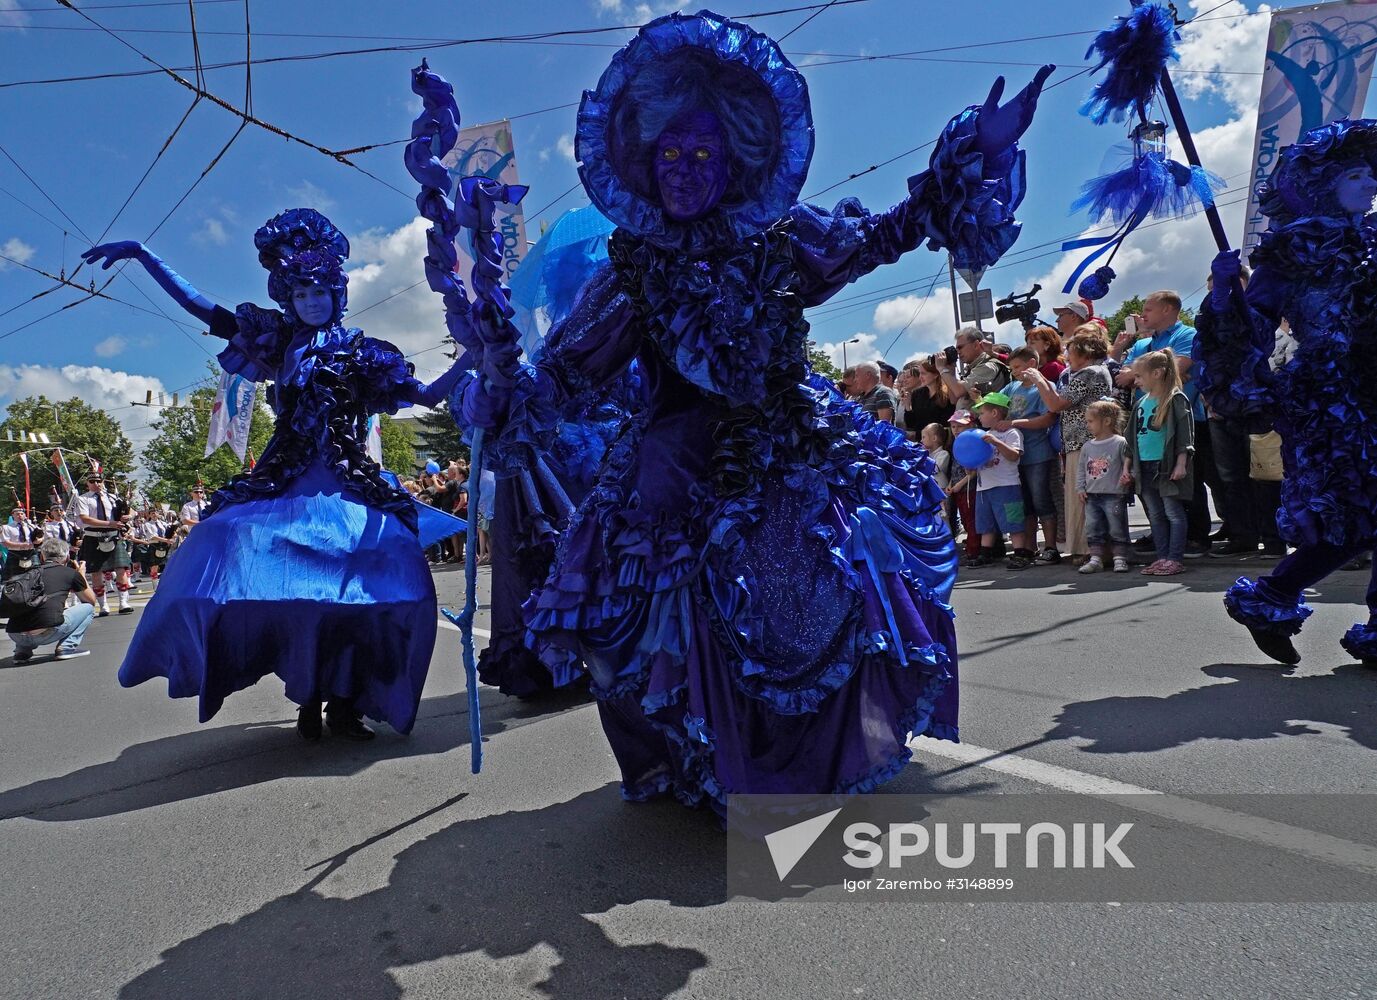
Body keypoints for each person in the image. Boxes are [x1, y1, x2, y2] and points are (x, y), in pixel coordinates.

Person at [421, 15, 1052, 810]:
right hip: (676, 457)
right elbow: (568, 375)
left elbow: (883, 236)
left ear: (732, 162)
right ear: (644, 163)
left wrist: (973, 155)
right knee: (657, 610)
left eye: (701, 156)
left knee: (825, 589)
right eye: (669, 156)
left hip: (793, 437)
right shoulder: (633, 268)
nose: (683, 172)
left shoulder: (778, 239)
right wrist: (503, 393)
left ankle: (809, 759)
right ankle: (707, 762)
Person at [82, 207, 469, 740]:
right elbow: (202, 308)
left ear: (337, 294)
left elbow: (424, 395)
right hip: (284, 478)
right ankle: (310, 697)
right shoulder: (277, 342)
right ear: (289, 297)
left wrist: (473, 355)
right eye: (301, 294)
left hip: (349, 483)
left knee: (384, 582)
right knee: (237, 547)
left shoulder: (364, 353)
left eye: (320, 293)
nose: (311, 302)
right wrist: (144, 256)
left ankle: (346, 703)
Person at [1195, 119, 1377, 666]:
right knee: (1350, 517)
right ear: (1325, 183)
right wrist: (1226, 294)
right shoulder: (1293, 250)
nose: (1370, 183)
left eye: (1371, 174)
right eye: (1355, 175)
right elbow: (1254, 326)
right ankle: (1273, 596)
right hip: (1333, 397)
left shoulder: (1373, 241)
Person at [1111, 290, 1213, 557]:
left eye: (1148, 309)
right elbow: (1122, 375)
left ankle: (1196, 537)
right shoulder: (1143, 344)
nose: (1142, 314)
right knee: (1150, 483)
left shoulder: (1187, 335)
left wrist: (1138, 375)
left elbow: (1175, 370)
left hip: (1182, 421)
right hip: (1147, 426)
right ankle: (1163, 537)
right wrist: (1140, 372)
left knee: (1188, 479)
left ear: (1167, 309)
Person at [1020, 327, 1114, 564]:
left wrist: (1039, 380)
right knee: (1081, 498)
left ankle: (1093, 549)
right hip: (1079, 444)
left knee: (1086, 498)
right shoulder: (1091, 372)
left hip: (1086, 444)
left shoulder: (1089, 373)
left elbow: (1055, 404)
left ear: (1085, 353)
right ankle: (1088, 549)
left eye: (1070, 352)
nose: (1067, 357)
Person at [1124, 349, 1195, 576]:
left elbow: (1185, 436)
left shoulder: (1175, 399)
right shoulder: (1141, 402)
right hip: (1144, 466)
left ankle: (1175, 558)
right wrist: (1127, 466)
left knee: (1173, 512)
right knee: (1155, 514)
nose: (1136, 381)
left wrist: (1181, 463)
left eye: (1139, 376)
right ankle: (1162, 557)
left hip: (1165, 467)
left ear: (1157, 373)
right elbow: (1131, 438)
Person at [1001, 346, 1059, 564]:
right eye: (1012, 368)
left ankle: (1051, 547)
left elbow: (1049, 418)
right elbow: (996, 404)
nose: (1014, 371)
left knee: (1041, 500)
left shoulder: (1044, 386)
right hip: (1017, 456)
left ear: (1032, 364)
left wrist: (1014, 423)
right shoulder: (1012, 387)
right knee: (1024, 502)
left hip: (1037, 454)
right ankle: (1029, 547)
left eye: (1017, 367)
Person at [6, 536, 97, 662]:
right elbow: (90, 601)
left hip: (16, 634)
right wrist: (81, 575)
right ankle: (67, 647)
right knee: (88, 608)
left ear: (42, 557)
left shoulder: (26, 574)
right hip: (47, 632)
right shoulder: (70, 573)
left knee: (26, 606)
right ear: (67, 557)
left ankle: (21, 651)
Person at [968, 391, 1027, 568]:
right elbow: (975, 464)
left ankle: (1020, 553)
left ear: (994, 413)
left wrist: (996, 442)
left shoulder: (1012, 433)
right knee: (985, 522)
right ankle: (985, 553)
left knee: (1013, 520)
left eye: (982, 413)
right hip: (983, 487)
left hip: (1006, 485)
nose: (979, 417)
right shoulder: (982, 435)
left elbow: (1014, 456)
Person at [1076, 399, 1131, 574]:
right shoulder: (1087, 446)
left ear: (1106, 421)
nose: (1087, 425)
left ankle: (1120, 558)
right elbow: (1081, 469)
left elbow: (1128, 465)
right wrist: (1080, 488)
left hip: (1114, 493)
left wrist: (1129, 477)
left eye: (1090, 421)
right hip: (1091, 495)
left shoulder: (1120, 442)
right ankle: (1096, 558)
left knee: (1117, 527)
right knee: (1093, 527)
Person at [73, 473, 133, 616]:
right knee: (96, 572)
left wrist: (129, 516)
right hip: (93, 537)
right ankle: (103, 605)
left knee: (121, 569)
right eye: (92, 481)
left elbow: (130, 510)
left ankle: (123, 602)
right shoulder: (83, 499)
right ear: (87, 483)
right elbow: (85, 519)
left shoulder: (112, 497)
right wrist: (110, 523)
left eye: (99, 481)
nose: (96, 483)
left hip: (113, 536)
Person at [936, 325, 1010, 404]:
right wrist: (951, 371)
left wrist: (942, 369)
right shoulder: (972, 368)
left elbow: (959, 391)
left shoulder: (988, 366)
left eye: (960, 347)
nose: (958, 352)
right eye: (956, 349)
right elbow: (954, 399)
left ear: (976, 345)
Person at [944, 410, 981, 559]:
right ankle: (971, 547)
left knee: (971, 520)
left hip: (970, 488)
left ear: (971, 426)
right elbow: (954, 468)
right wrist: (950, 484)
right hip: (958, 488)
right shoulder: (955, 443)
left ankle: (974, 551)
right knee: (965, 519)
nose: (956, 430)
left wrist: (959, 484)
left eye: (960, 426)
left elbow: (974, 471)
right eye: (953, 427)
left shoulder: (973, 443)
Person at [899, 357, 955, 438]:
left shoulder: (947, 395)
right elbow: (911, 424)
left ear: (935, 375)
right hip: (921, 441)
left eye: (924, 373)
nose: (920, 377)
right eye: (920, 373)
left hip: (939, 442)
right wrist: (908, 406)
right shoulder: (917, 394)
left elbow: (945, 424)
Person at [2, 506, 38, 580]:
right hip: (15, 554)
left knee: (35, 575)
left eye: (22, 514)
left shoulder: (31, 526)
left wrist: (38, 540)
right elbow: (5, 543)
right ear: (13, 515)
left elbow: (41, 536)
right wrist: (22, 545)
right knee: (13, 578)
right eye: (17, 514)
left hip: (31, 553)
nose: (20, 515)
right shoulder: (6, 527)